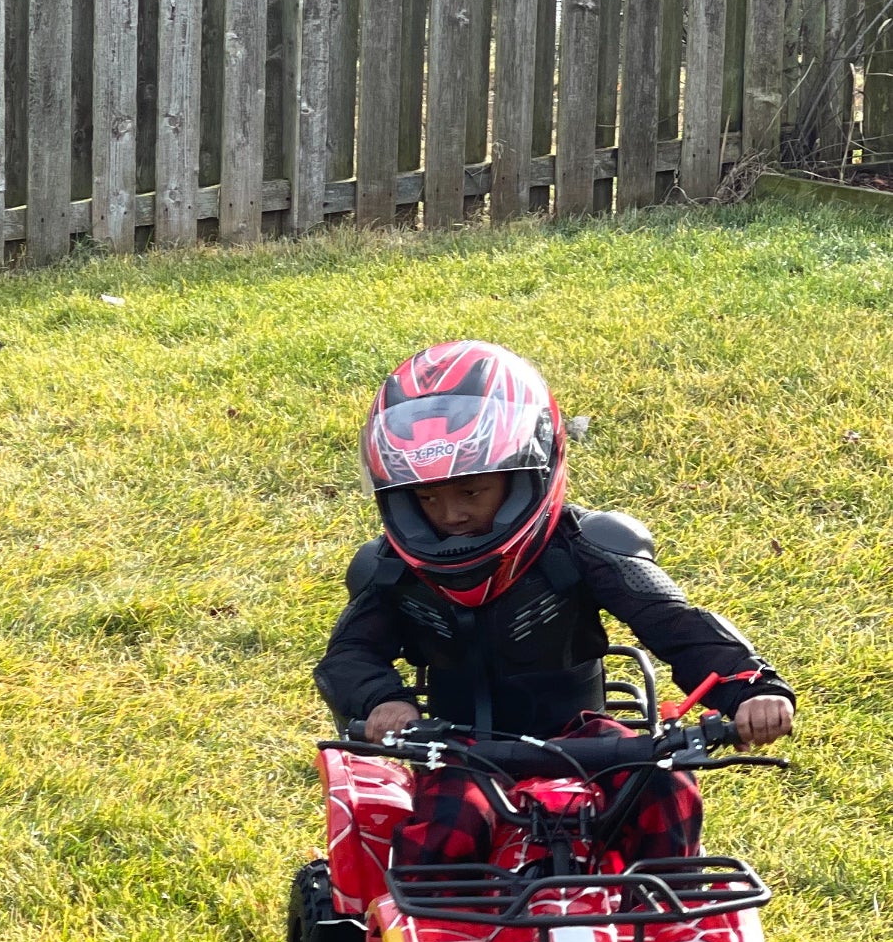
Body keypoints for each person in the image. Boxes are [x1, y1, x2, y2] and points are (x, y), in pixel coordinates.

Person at [314, 340, 794, 870]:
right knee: (443, 832)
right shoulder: (392, 569)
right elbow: (348, 656)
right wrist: (383, 699)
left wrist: (749, 685)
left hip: (582, 733)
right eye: (426, 497)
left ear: (527, 473)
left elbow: (675, 623)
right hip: (457, 746)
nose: (448, 514)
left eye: (470, 492)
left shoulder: (585, 545)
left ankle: (665, 933)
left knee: (667, 792)